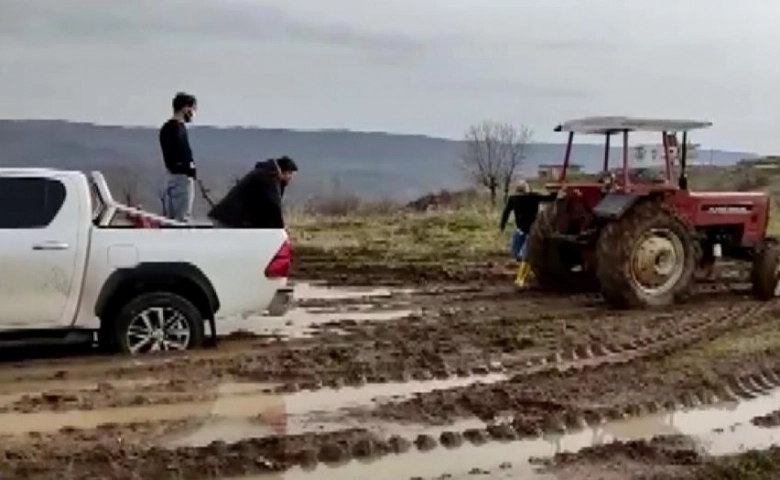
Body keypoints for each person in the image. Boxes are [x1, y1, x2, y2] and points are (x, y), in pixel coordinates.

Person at [208, 156, 298, 228]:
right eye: (290, 174)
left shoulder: (266, 173)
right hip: (229, 220)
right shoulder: (269, 177)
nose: (291, 179)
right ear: (284, 172)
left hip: (228, 218)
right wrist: (280, 228)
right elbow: (273, 205)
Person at [500, 181, 555, 288]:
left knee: (525, 255)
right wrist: (557, 193)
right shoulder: (529, 197)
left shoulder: (518, 198)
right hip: (525, 230)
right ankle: (527, 268)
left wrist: (502, 224)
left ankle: (520, 279)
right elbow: (549, 198)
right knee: (519, 255)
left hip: (529, 231)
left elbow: (506, 212)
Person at [159, 92, 198, 222]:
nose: (193, 113)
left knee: (169, 220)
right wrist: (189, 168)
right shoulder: (178, 129)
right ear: (185, 108)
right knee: (181, 219)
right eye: (192, 109)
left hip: (169, 177)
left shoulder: (165, 128)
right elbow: (183, 153)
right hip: (182, 179)